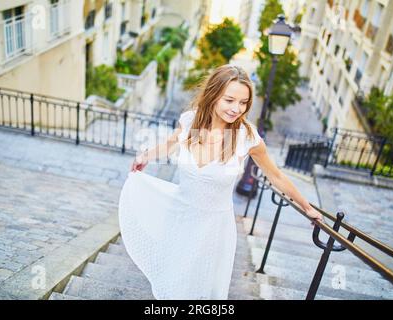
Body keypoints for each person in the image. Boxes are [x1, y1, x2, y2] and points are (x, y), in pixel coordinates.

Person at [118, 64, 324, 300]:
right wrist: (145, 156)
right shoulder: (191, 122)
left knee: (198, 287)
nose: (237, 108)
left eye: (243, 102)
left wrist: (307, 207)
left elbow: (275, 175)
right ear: (213, 95)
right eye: (229, 100)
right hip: (179, 217)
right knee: (174, 280)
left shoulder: (246, 137)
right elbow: (170, 143)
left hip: (213, 229)